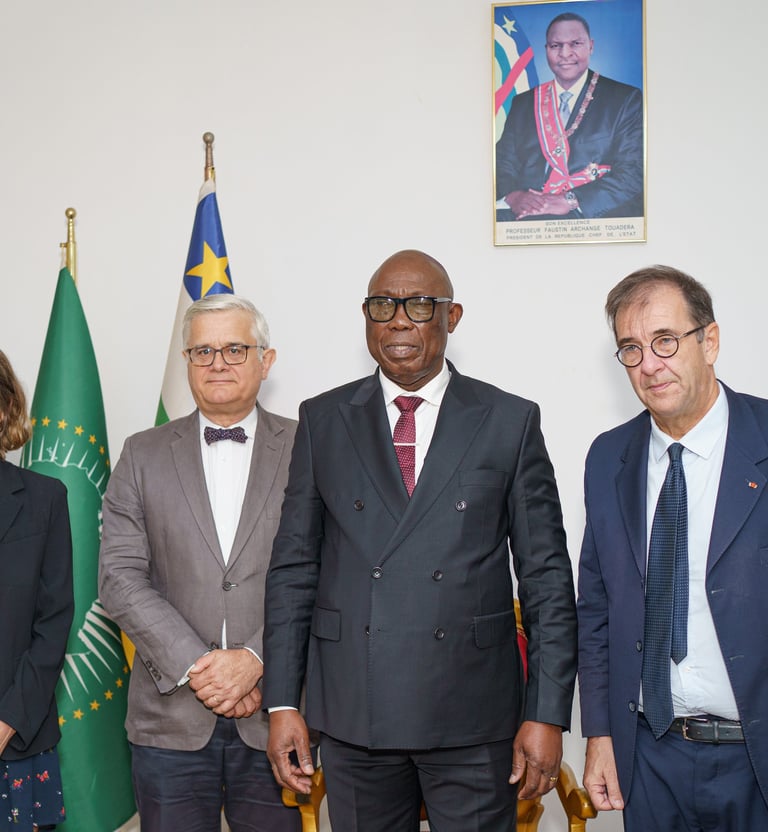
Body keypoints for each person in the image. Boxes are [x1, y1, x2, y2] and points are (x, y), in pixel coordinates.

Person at [263, 249, 577, 832]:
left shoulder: (508, 420)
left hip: (474, 715)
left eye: (419, 305)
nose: (399, 320)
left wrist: (548, 714)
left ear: (452, 317)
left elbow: (546, 579)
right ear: (365, 317)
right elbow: (293, 570)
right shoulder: (324, 419)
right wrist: (283, 702)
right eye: (383, 305)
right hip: (357, 711)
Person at [98, 295, 301, 832]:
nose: (218, 363)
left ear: (266, 359)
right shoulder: (141, 454)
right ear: (185, 361)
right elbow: (119, 577)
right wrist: (202, 667)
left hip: (277, 715)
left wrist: (256, 659)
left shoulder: (311, 448)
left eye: (235, 348)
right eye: (202, 351)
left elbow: (326, 571)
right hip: (170, 723)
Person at [577, 265, 768, 830]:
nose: (650, 364)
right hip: (651, 756)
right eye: (631, 349)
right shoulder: (608, 457)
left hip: (755, 756)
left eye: (665, 340)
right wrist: (600, 733)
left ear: (708, 340)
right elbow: (595, 609)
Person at [0, 350, 74, 832]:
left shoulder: (45, 498)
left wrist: (6, 721)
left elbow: (53, 623)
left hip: (17, 735)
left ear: (5, 409)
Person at [495, 12, 643, 221]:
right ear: (546, 50)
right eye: (556, 46)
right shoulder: (524, 102)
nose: (565, 53)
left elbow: (633, 172)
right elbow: (503, 161)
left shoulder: (624, 99)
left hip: (590, 214)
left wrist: (571, 199)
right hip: (525, 214)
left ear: (590, 46)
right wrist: (513, 195)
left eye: (575, 43)